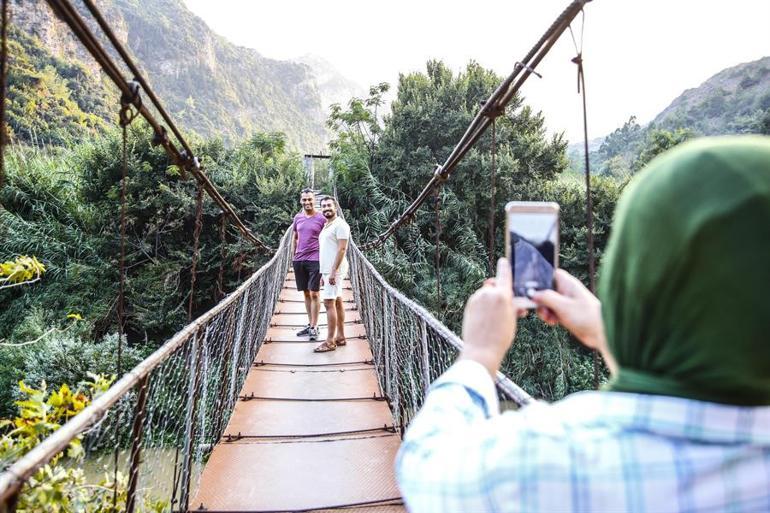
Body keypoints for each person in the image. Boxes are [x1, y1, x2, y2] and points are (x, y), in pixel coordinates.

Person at [396, 136, 770, 512]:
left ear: (628, 284)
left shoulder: (551, 460)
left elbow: (424, 467)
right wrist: (605, 333)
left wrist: (479, 354)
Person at [313, 196, 350, 353]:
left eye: (329, 205)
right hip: (329, 270)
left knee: (329, 303)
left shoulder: (341, 225)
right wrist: (324, 273)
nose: (326, 208)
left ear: (336, 207)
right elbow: (328, 249)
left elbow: (342, 249)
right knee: (337, 301)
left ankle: (330, 342)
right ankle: (340, 337)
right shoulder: (328, 224)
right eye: (323, 206)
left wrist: (333, 272)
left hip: (335, 269)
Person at [291, 188, 326, 341]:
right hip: (299, 260)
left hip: (315, 259)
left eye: (309, 199)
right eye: (304, 200)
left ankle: (314, 326)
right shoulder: (297, 218)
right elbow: (295, 237)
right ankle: (310, 323)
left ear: (314, 200)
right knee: (306, 293)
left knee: (314, 293)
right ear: (301, 201)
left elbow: (327, 241)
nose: (307, 202)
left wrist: (326, 267)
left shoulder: (322, 219)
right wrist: (293, 257)